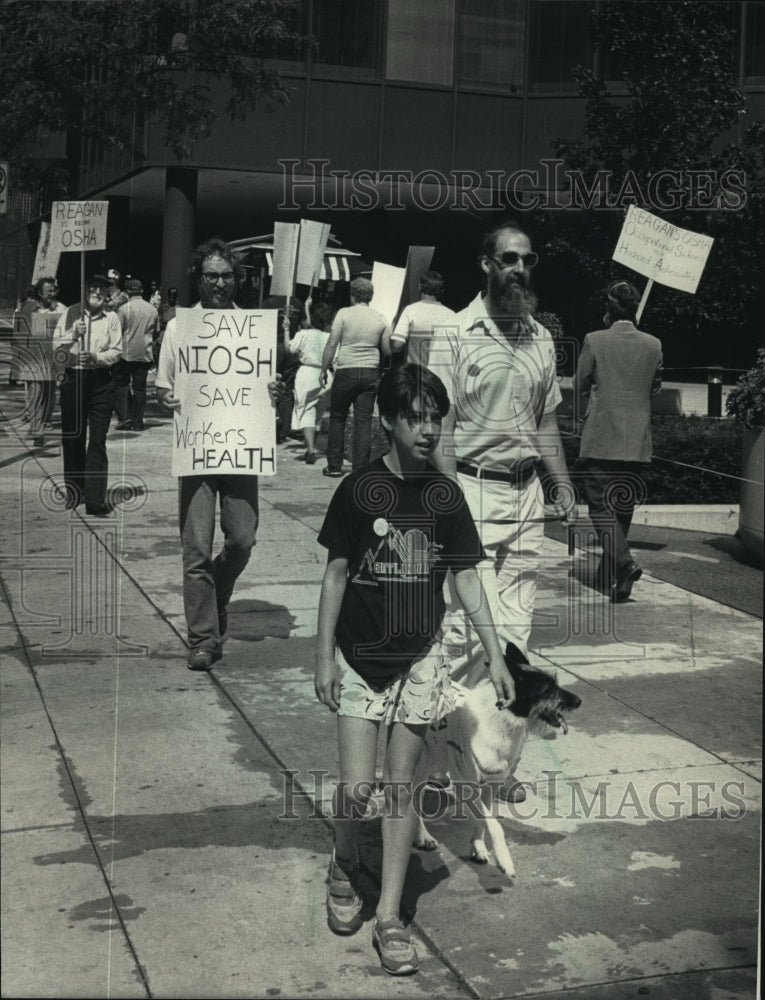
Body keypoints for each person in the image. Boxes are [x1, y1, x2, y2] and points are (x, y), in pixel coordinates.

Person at [315, 363, 514, 975]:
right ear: (389, 421)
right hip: (358, 655)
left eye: (437, 417)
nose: (428, 429)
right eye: (415, 417)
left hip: (420, 657)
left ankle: (391, 917)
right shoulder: (356, 488)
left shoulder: (445, 495)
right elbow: (337, 574)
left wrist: (496, 651)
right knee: (356, 789)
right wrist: (322, 654)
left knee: (401, 789)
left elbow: (465, 577)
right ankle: (345, 857)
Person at [427, 217, 577, 801]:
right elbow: (438, 428)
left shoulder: (540, 336)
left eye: (528, 260)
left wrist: (560, 484)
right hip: (471, 491)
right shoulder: (455, 334)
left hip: (526, 500)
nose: (519, 269)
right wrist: (447, 503)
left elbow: (545, 422)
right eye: (509, 259)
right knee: (464, 636)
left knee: (515, 641)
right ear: (486, 264)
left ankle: (499, 767)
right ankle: (443, 760)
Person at [156, 237, 281, 672]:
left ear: (236, 279)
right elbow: (163, 384)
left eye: (227, 276)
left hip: (241, 449)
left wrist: (273, 392)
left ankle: (218, 592)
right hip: (197, 448)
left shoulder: (252, 328)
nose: (220, 283)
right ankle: (203, 639)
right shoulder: (179, 327)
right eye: (212, 276)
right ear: (199, 278)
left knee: (242, 538)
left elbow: (264, 387)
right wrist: (168, 398)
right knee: (195, 549)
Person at [573, 280, 663, 601]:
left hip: (601, 436)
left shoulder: (594, 340)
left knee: (599, 507)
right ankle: (613, 574)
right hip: (636, 440)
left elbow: (580, 384)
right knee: (623, 507)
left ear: (609, 308)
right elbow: (655, 386)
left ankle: (624, 565)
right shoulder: (653, 344)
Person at [52, 274, 122, 514]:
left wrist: (96, 358)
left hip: (101, 381)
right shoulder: (71, 313)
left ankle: (95, 498)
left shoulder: (112, 318)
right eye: (93, 287)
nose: (97, 292)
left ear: (107, 293)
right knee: (73, 437)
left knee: (98, 439)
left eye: (102, 288)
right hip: (75, 378)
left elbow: (116, 351)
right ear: (85, 289)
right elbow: (55, 345)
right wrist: (73, 334)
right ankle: (75, 491)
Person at [320, 277, 391, 477]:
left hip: (346, 370)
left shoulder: (343, 314)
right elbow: (387, 350)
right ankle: (360, 468)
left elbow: (332, 344)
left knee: (338, 417)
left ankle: (334, 466)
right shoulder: (381, 318)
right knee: (363, 421)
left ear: (352, 294)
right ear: (371, 296)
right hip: (370, 371)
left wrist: (323, 369)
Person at [16, 277, 65, 446]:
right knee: (36, 396)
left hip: (52, 360)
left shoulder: (60, 308)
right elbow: (24, 335)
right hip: (34, 360)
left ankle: (39, 426)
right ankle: (37, 430)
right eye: (49, 291)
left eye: (54, 290)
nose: (53, 294)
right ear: (39, 292)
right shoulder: (28, 308)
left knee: (49, 397)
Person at [285, 301, 334, 464]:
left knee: (306, 410)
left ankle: (310, 449)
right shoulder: (330, 337)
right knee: (318, 412)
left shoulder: (304, 334)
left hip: (307, 372)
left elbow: (289, 349)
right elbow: (337, 359)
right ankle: (312, 446)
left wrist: (286, 330)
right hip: (325, 373)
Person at [114, 278, 159, 430]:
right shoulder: (152, 309)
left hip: (125, 354)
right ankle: (138, 421)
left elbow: (117, 332)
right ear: (141, 291)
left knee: (121, 385)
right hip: (144, 354)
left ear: (128, 291)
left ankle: (126, 417)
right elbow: (156, 332)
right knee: (140, 388)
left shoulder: (124, 309)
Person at [389, 270, 456, 367]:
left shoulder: (410, 310)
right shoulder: (451, 315)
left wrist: (391, 333)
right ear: (442, 291)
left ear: (419, 286)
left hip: (415, 375)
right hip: (438, 378)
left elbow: (396, 346)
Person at [156, 286, 178, 370]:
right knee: (160, 366)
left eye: (174, 295)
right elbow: (157, 322)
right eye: (170, 295)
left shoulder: (179, 309)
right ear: (168, 296)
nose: (172, 297)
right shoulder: (162, 308)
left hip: (173, 341)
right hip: (161, 340)